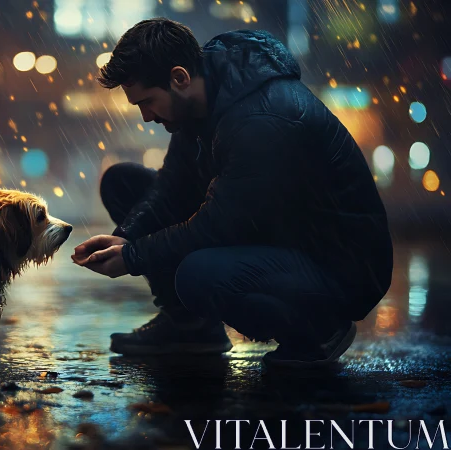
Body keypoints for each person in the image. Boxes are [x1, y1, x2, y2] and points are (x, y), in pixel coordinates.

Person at [71, 18, 393, 369]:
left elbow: (221, 225)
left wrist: (133, 257)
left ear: (179, 78)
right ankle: (189, 328)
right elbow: (170, 189)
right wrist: (124, 240)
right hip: (280, 232)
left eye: (147, 102)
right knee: (123, 183)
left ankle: (319, 328)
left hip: (337, 264)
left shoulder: (262, 117)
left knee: (198, 275)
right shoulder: (198, 103)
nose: (147, 117)